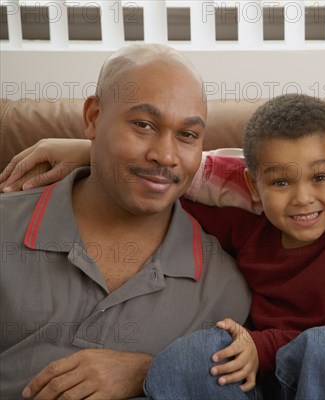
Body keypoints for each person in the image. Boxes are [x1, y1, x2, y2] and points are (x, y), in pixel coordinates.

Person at [1, 94, 325, 399]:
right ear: (254, 186)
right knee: (191, 354)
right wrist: (95, 154)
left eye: (320, 177)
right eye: (281, 183)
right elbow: (161, 191)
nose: (303, 198)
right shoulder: (249, 231)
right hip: (249, 380)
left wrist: (260, 344)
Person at [0, 43, 251, 399]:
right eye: (144, 125)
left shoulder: (223, 290)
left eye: (187, 135)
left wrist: (152, 369)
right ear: (93, 118)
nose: (165, 155)